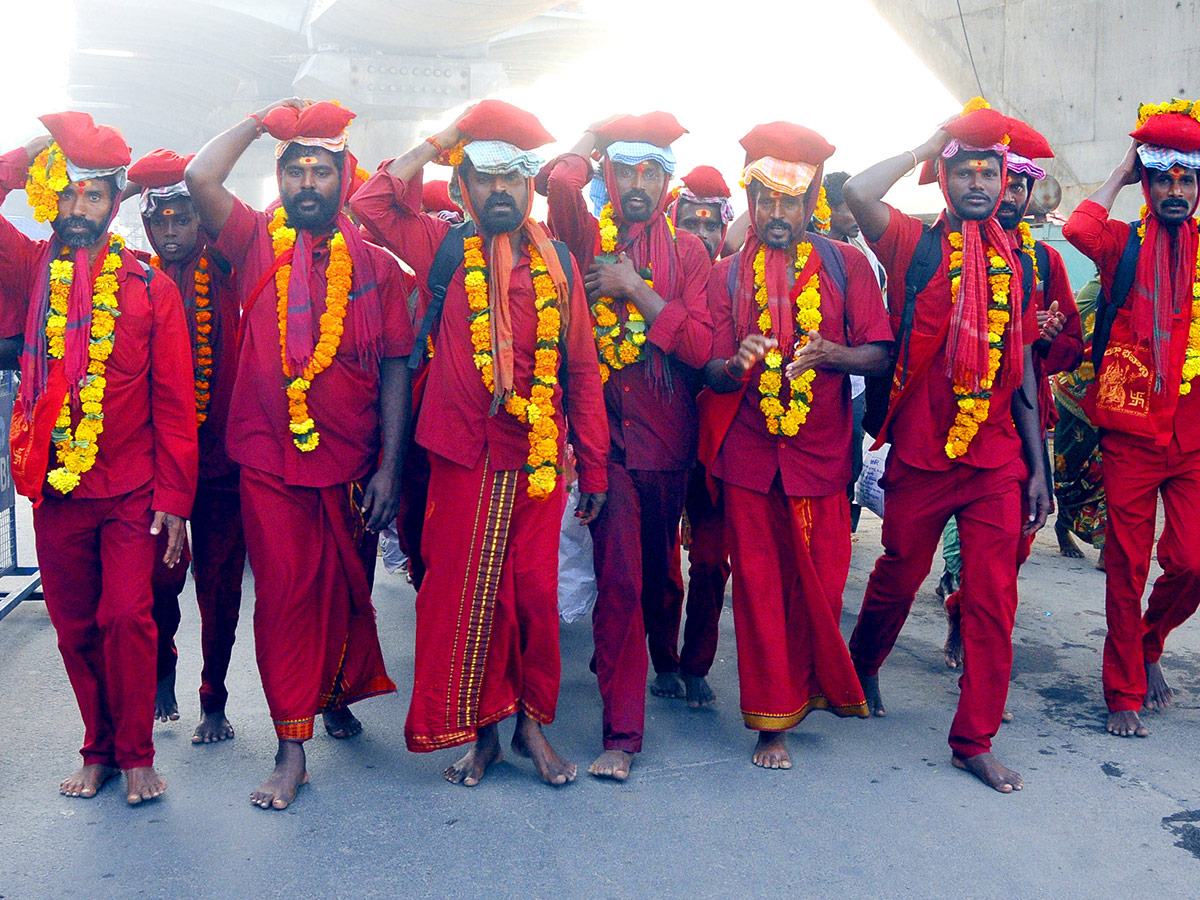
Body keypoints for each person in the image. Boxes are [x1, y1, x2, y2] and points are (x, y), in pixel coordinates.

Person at [351, 99, 609, 787]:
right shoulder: (440, 246)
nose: (502, 192)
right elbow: (372, 201)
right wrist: (449, 136)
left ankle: (531, 728)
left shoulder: (556, 262)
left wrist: (599, 468)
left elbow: (581, 370)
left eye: (513, 180)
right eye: (486, 178)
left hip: (538, 464)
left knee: (530, 600)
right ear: (464, 185)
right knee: (470, 600)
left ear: (529, 188)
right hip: (462, 458)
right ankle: (488, 735)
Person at [185, 98, 414, 809]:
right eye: (296, 171)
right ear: (279, 181)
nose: (307, 183)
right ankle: (292, 747)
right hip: (270, 464)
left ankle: (337, 693)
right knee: (284, 598)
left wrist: (388, 469)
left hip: (352, 470)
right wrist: (259, 125)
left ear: (345, 179)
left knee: (349, 592)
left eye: (322, 170)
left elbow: (398, 370)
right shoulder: (255, 242)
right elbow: (198, 179)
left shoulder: (380, 267)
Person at [843, 99, 1051, 793]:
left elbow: (1020, 374)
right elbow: (856, 192)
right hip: (923, 456)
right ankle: (864, 662)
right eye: (964, 171)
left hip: (993, 459)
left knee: (993, 598)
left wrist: (1038, 469)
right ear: (945, 176)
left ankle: (974, 738)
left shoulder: (1018, 265)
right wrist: (928, 142)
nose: (979, 185)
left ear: (1003, 181)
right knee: (900, 572)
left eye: (990, 173)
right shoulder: (911, 242)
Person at [0, 112, 197, 804]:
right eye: (68, 194)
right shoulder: (31, 272)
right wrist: (29, 153)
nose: (78, 209)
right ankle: (100, 748)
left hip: (131, 494)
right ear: (52, 199)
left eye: (92, 195)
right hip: (55, 490)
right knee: (75, 626)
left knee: (128, 618)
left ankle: (137, 752)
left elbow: (174, 404)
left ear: (114, 205)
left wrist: (175, 501)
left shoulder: (150, 287)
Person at [702, 122, 892, 768]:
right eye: (765, 199)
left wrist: (834, 355)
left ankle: (810, 687)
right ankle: (771, 720)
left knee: (819, 585)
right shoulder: (725, 275)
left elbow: (879, 353)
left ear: (811, 201)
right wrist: (735, 364)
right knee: (756, 589)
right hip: (749, 459)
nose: (776, 213)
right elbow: (704, 366)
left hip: (821, 458)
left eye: (790, 200)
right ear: (750, 200)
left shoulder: (847, 265)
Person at [539, 112, 714, 780]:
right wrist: (591, 137)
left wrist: (635, 290)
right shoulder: (583, 237)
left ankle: (631, 662)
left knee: (650, 578)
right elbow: (557, 181)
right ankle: (622, 735)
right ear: (608, 177)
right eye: (626, 171)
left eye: (651, 172)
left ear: (667, 182)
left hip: (668, 447)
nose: (638, 185)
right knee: (619, 584)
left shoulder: (691, 253)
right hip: (602, 444)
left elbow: (700, 347)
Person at [1062, 98, 1200, 738]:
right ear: (1147, 185)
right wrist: (1124, 165)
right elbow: (1079, 228)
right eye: (1163, 178)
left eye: (1187, 178)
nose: (1175, 190)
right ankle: (1123, 689)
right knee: (1126, 566)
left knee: (1194, 563)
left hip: (1194, 439)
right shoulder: (1124, 244)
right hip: (1131, 437)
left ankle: (1148, 646)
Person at [942, 119, 1083, 670]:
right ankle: (965, 622)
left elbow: (1071, 347)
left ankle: (963, 613)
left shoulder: (1042, 262)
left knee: (1010, 548)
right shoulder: (943, 245)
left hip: (1019, 422)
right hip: (948, 421)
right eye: (1008, 182)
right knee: (951, 542)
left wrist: (1046, 342)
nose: (1012, 195)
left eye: (1022, 186)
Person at [125, 149, 246, 745]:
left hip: (222, 464)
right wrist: (127, 190)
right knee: (156, 582)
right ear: (146, 226)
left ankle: (214, 699)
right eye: (159, 222)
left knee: (220, 589)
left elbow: (219, 200)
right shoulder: (137, 279)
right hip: (158, 470)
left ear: (200, 220)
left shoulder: (225, 266)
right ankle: (164, 669)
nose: (171, 232)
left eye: (182, 218)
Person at [653, 164, 736, 708]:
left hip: (718, 444)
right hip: (659, 434)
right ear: (674, 221)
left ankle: (697, 662)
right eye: (692, 222)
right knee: (658, 561)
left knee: (710, 559)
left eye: (712, 225)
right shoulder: (659, 273)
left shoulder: (734, 277)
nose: (702, 235)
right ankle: (663, 657)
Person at [823, 170, 888, 532]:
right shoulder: (810, 251)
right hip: (822, 375)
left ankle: (845, 519)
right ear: (827, 210)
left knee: (853, 457)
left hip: (860, 377)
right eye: (849, 209)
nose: (857, 216)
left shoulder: (863, 246)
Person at [1051, 274, 1107, 568]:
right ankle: (1063, 528)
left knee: (1109, 467)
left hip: (1115, 392)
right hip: (1074, 392)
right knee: (1070, 467)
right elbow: (1069, 330)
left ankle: (1105, 545)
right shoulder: (1094, 291)